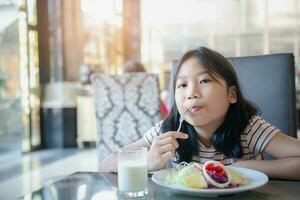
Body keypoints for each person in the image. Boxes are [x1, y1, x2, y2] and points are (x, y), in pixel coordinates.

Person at [100, 47, 300, 180]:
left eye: (204, 81)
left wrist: (245, 168)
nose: (191, 93)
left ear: (231, 94)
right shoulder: (168, 130)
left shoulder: (248, 128)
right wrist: (148, 161)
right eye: (182, 85)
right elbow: (108, 162)